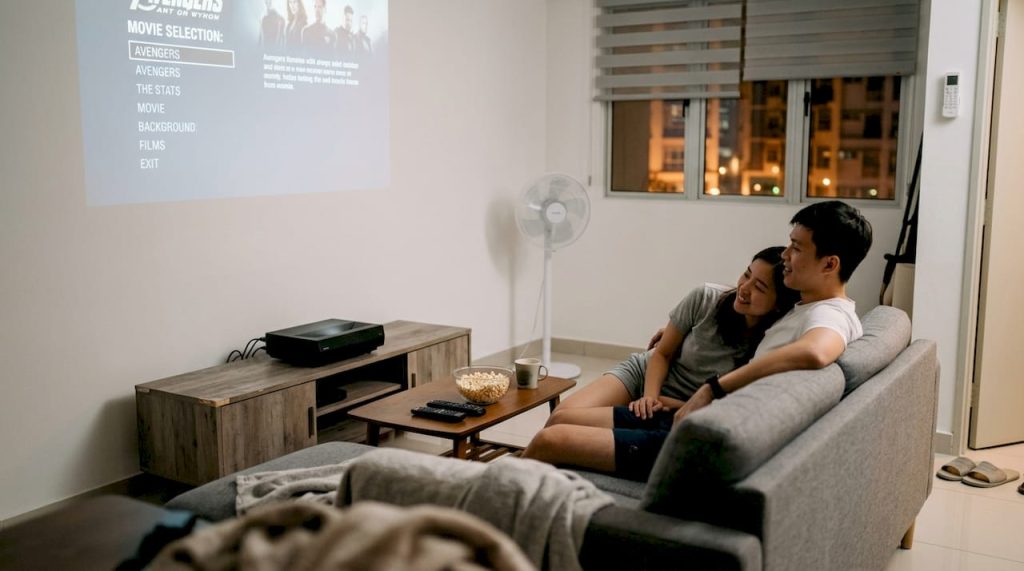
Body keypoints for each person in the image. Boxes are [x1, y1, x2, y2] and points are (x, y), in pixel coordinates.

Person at [521, 246, 800, 480]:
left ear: (778, 303)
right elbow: (662, 353)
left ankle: (531, 482)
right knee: (560, 415)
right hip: (646, 375)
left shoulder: (769, 342)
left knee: (561, 432)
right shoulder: (706, 298)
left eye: (759, 287)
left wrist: (667, 404)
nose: (744, 288)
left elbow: (722, 399)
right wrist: (649, 397)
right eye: (746, 274)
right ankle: (528, 485)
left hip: (678, 407)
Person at [670, 200, 872, 424]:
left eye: (796, 248)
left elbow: (815, 351)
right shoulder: (806, 307)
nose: (785, 254)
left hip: (716, 422)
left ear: (829, 265)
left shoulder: (831, 315)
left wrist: (714, 388)